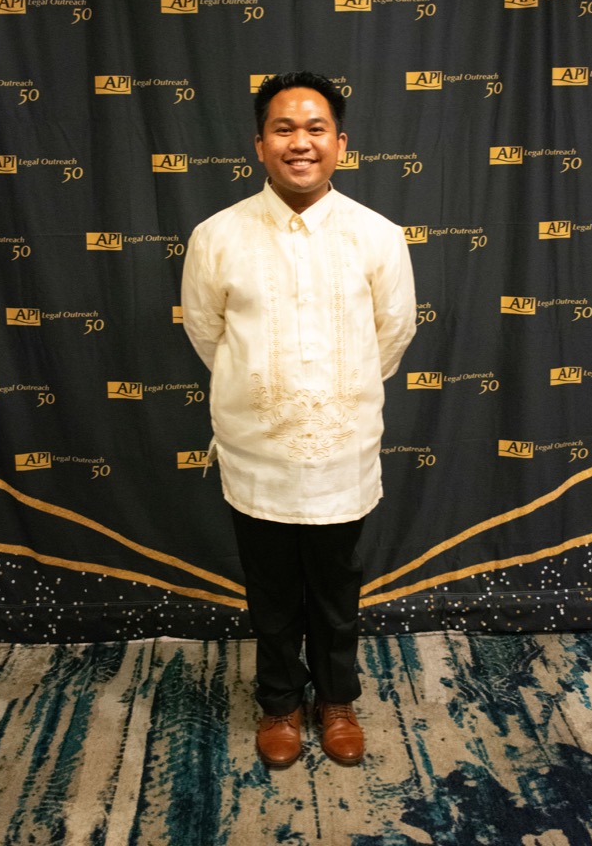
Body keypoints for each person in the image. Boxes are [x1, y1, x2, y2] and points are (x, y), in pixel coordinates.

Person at [181, 72, 416, 767]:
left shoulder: (377, 235)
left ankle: (337, 700)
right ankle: (280, 703)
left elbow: (393, 334)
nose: (300, 142)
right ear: (260, 145)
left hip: (342, 451)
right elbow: (207, 333)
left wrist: (334, 395)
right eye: (283, 129)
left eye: (316, 128)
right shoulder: (217, 236)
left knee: (338, 591)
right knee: (272, 592)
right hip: (258, 453)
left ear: (341, 143)